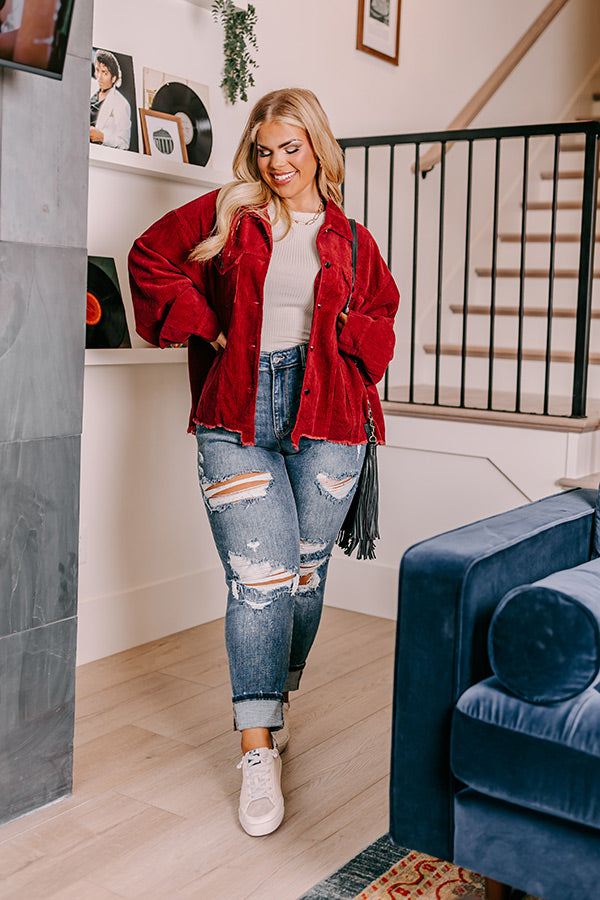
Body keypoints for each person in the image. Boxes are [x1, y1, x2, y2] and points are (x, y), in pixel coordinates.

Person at [128, 88, 399, 837]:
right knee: (259, 580)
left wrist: (344, 337)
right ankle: (257, 748)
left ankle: (276, 696)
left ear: (317, 148)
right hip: (236, 414)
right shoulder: (229, 212)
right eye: (265, 149)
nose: (277, 163)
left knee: (305, 577)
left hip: (331, 418)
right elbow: (149, 257)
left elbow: (381, 319)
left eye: (291, 147)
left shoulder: (352, 239)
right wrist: (207, 325)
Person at [90, 49, 131, 150]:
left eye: (104, 73)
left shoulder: (122, 104)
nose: (99, 77)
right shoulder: (90, 88)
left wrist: (102, 137)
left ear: (113, 78)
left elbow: (124, 144)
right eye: (97, 71)